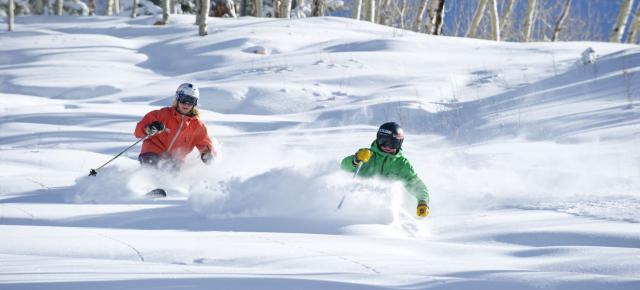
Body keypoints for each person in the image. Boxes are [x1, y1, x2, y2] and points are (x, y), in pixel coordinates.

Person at [341, 122, 430, 217]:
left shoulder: (401, 164)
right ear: (378, 139)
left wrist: (423, 202)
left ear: (399, 143)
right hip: (355, 204)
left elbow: (415, 183)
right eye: (383, 142)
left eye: (393, 144)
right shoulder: (367, 155)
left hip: (383, 210)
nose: (387, 147)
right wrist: (356, 159)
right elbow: (343, 166)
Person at [134, 83, 218, 170]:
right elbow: (138, 132)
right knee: (154, 170)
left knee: (172, 179)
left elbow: (205, 143)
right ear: (177, 98)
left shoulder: (197, 126)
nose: (186, 104)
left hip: (175, 161)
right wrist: (149, 129)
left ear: (195, 103)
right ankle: (145, 182)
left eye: (191, 101)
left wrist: (207, 154)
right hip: (152, 152)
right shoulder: (162, 114)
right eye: (184, 99)